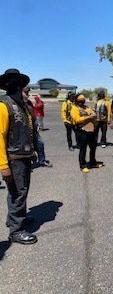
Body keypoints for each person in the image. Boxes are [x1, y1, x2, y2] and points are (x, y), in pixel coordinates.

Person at [0, 69, 38, 244]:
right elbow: (0, 136)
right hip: (14, 158)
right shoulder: (4, 105)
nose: (22, 88)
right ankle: (16, 231)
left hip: (24, 154)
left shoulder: (21, 105)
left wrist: (33, 151)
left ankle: (15, 218)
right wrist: (3, 165)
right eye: (18, 85)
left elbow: (28, 130)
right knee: (18, 192)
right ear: (11, 86)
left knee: (16, 191)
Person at [71, 94, 103, 173]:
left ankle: (92, 162)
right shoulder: (74, 109)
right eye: (80, 100)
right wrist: (89, 117)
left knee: (93, 147)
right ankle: (83, 165)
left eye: (83, 100)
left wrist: (93, 114)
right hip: (81, 131)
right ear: (77, 101)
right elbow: (77, 120)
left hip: (91, 130)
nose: (82, 101)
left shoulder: (87, 107)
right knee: (83, 149)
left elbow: (93, 114)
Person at [22, 87, 52, 168]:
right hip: (24, 131)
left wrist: (37, 124)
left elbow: (33, 114)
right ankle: (25, 165)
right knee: (26, 148)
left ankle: (42, 161)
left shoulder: (28, 102)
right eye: (26, 92)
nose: (27, 93)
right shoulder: (18, 103)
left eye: (28, 92)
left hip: (33, 129)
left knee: (40, 144)